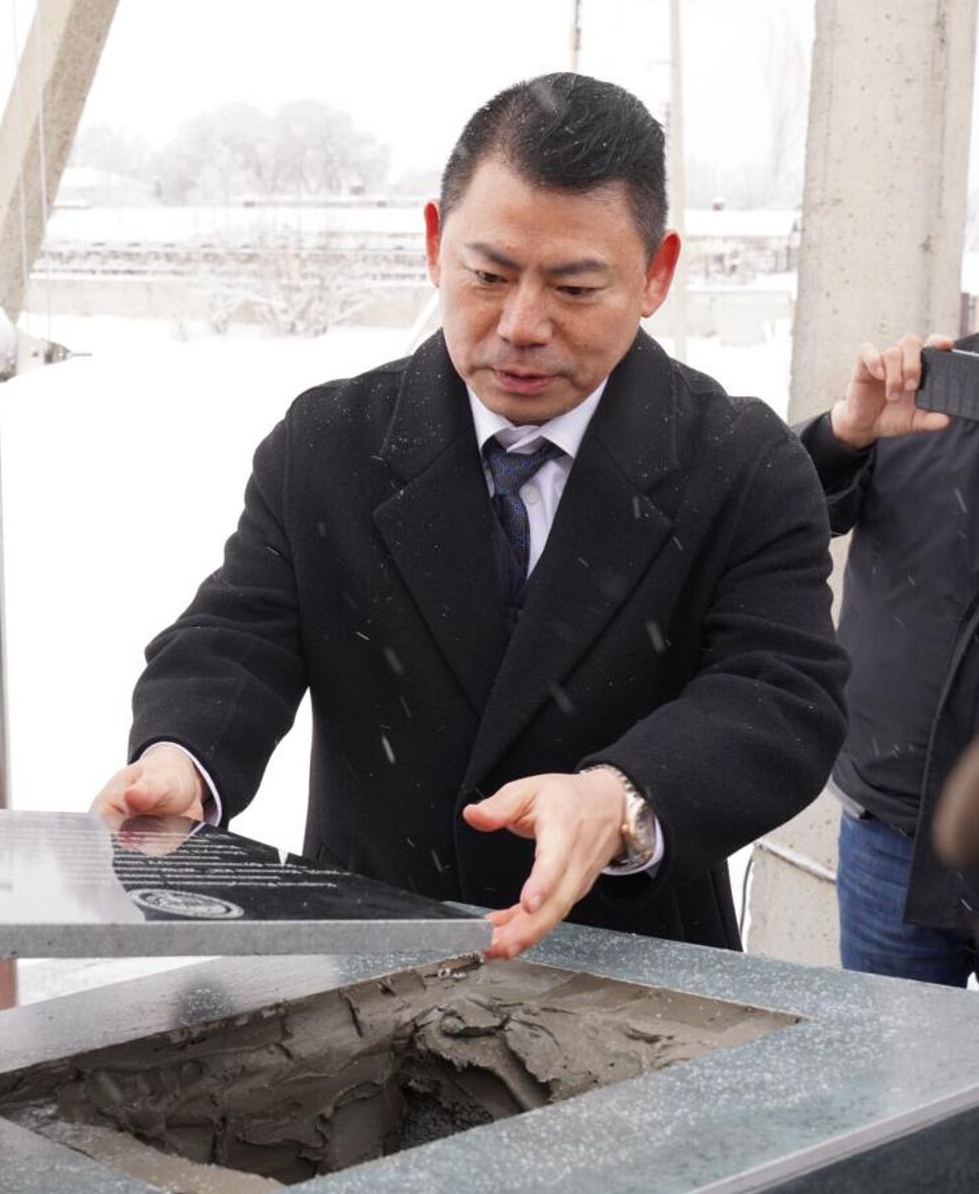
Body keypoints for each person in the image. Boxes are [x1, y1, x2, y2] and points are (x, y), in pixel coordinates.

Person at [93, 73, 848, 960]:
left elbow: (779, 694)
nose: (522, 325)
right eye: (487, 275)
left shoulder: (740, 461)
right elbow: (241, 632)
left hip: (635, 963)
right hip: (369, 941)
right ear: (433, 243)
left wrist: (618, 798)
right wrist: (184, 757)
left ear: (656, 275)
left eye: (574, 288)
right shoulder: (330, 442)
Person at [798, 332, 979, 984]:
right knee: (886, 1051)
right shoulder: (932, 387)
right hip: (891, 835)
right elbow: (773, 514)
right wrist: (845, 434)